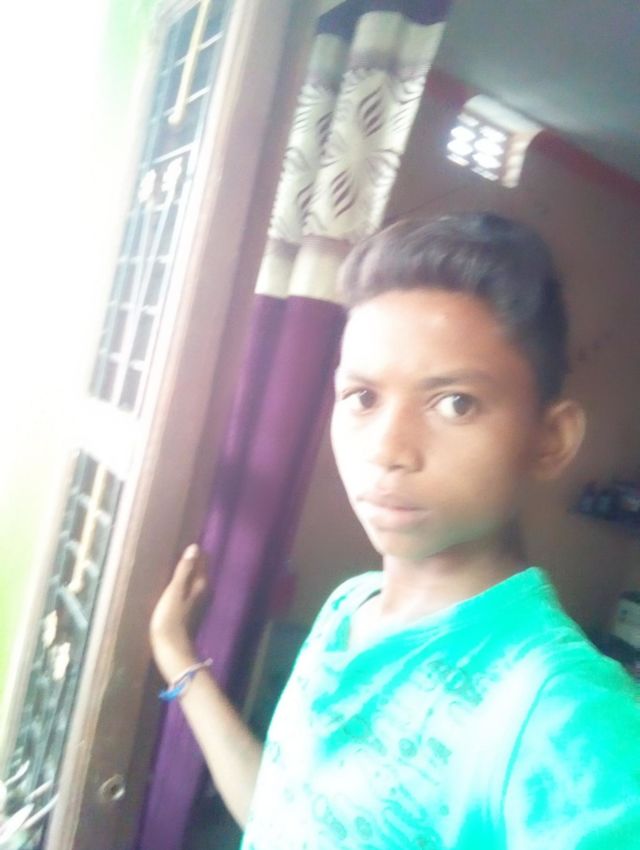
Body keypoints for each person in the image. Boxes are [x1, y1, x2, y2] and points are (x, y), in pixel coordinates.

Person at [150, 212, 640, 849]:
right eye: (362, 397)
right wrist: (175, 651)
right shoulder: (349, 606)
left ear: (550, 439)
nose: (387, 449)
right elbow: (283, 815)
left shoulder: (568, 718)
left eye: (455, 403)